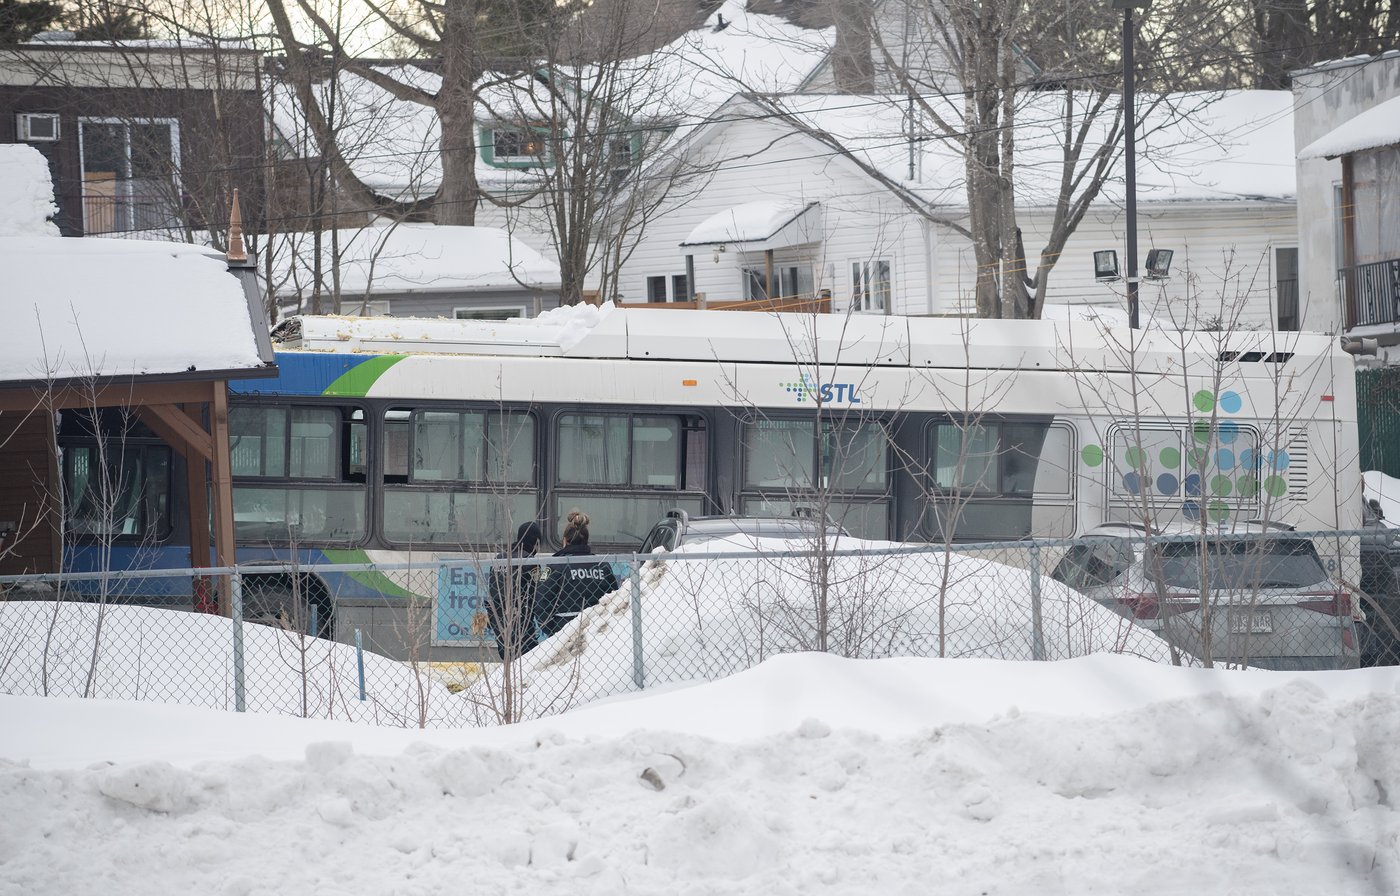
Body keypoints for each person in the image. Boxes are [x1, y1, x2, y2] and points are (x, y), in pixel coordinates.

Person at [537, 509, 619, 637]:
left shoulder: (556, 565)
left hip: (563, 630)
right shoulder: (602, 565)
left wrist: (552, 629)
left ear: (565, 540)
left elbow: (542, 600)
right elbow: (615, 597)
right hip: (596, 631)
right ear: (586, 540)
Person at [486, 521, 543, 660]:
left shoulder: (499, 558)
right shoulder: (530, 561)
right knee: (529, 658)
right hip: (521, 620)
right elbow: (540, 586)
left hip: (498, 620)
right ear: (535, 542)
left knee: (508, 658)